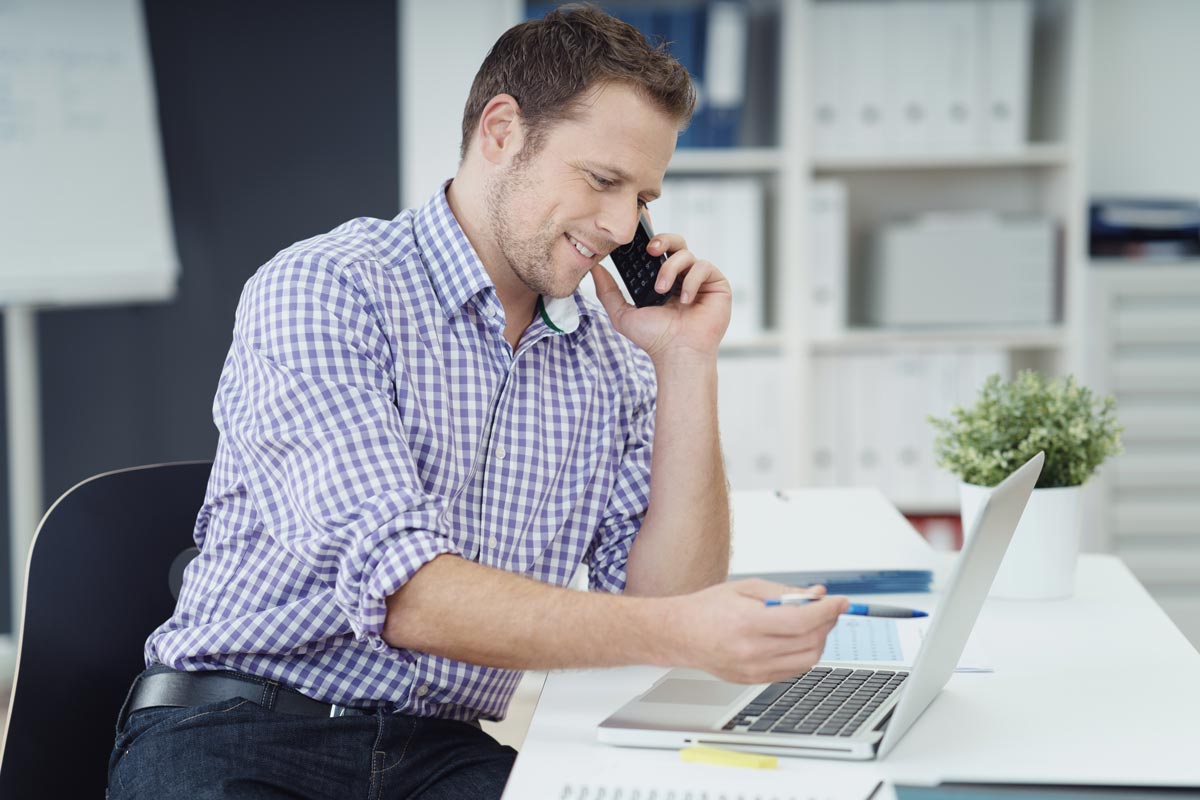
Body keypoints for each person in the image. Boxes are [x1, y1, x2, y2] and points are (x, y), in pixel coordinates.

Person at [107, 5, 848, 798]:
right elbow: (408, 597)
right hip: (244, 730)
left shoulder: (612, 361)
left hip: (441, 751)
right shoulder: (327, 288)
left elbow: (663, 606)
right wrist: (687, 630)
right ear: (501, 131)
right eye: (602, 181)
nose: (620, 224)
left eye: (643, 197)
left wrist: (686, 363)